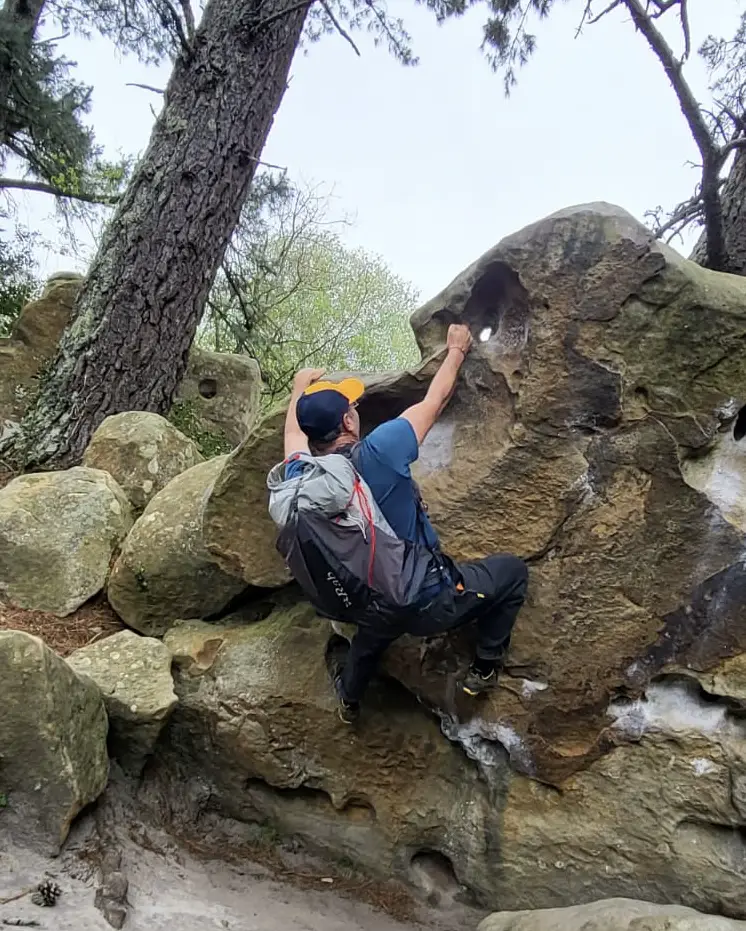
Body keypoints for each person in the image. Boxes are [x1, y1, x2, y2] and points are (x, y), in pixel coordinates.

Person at [283, 323, 528, 723]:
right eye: (352, 409)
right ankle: (484, 669)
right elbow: (436, 399)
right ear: (347, 423)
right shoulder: (382, 449)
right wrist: (456, 350)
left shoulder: (299, 476)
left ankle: (349, 699)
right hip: (423, 598)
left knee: (371, 639)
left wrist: (298, 391)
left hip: (363, 599)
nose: (355, 412)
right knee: (513, 574)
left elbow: (293, 435)